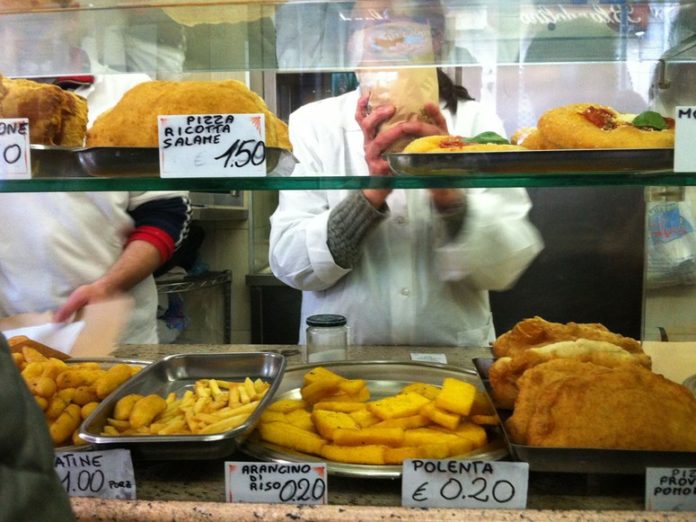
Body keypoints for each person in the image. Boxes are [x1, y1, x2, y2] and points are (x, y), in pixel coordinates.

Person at [269, 5, 543, 347]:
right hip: (344, 360)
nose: (378, 35)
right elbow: (291, 264)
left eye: (394, 22)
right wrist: (371, 193)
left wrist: (448, 194)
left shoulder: (477, 123)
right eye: (363, 25)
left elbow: (508, 261)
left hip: (452, 359)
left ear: (435, 38)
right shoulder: (313, 122)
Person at [0, 10, 192, 344]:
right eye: (8, 19)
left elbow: (166, 213)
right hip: (11, 335)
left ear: (71, 15)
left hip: (113, 335)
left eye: (36, 15)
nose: (21, 31)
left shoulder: (133, 94)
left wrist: (108, 285)